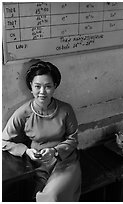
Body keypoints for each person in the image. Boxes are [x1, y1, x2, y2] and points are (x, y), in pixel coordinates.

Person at [2, 60, 81, 202]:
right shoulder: (23, 113)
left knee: (52, 197)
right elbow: (3, 141)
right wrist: (26, 151)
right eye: (37, 86)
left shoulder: (65, 110)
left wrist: (55, 151)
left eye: (48, 86)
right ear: (30, 87)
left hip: (65, 162)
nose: (42, 92)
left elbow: (73, 139)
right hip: (38, 166)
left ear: (55, 86)